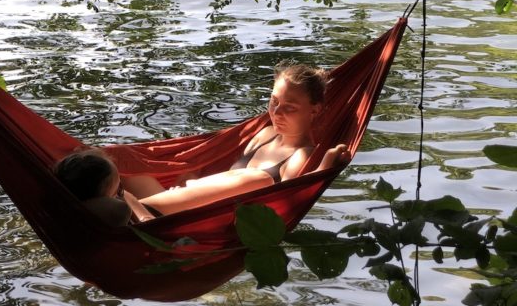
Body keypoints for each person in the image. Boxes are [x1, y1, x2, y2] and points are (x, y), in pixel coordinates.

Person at [55, 62, 351, 220]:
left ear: (315, 110)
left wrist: (328, 162)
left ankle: (127, 211)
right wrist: (191, 177)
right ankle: (112, 203)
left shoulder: (300, 155)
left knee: (258, 179)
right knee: (116, 158)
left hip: (181, 219)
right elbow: (219, 172)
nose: (277, 112)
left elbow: (296, 195)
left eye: (290, 106)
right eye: (274, 101)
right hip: (177, 198)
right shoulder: (264, 131)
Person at [53, 148, 157, 225]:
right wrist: (145, 216)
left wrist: (121, 193)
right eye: (119, 189)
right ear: (104, 201)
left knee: (139, 180)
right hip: (147, 215)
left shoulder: (65, 205)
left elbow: (124, 195)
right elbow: (153, 228)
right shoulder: (116, 213)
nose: (122, 191)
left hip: (138, 209)